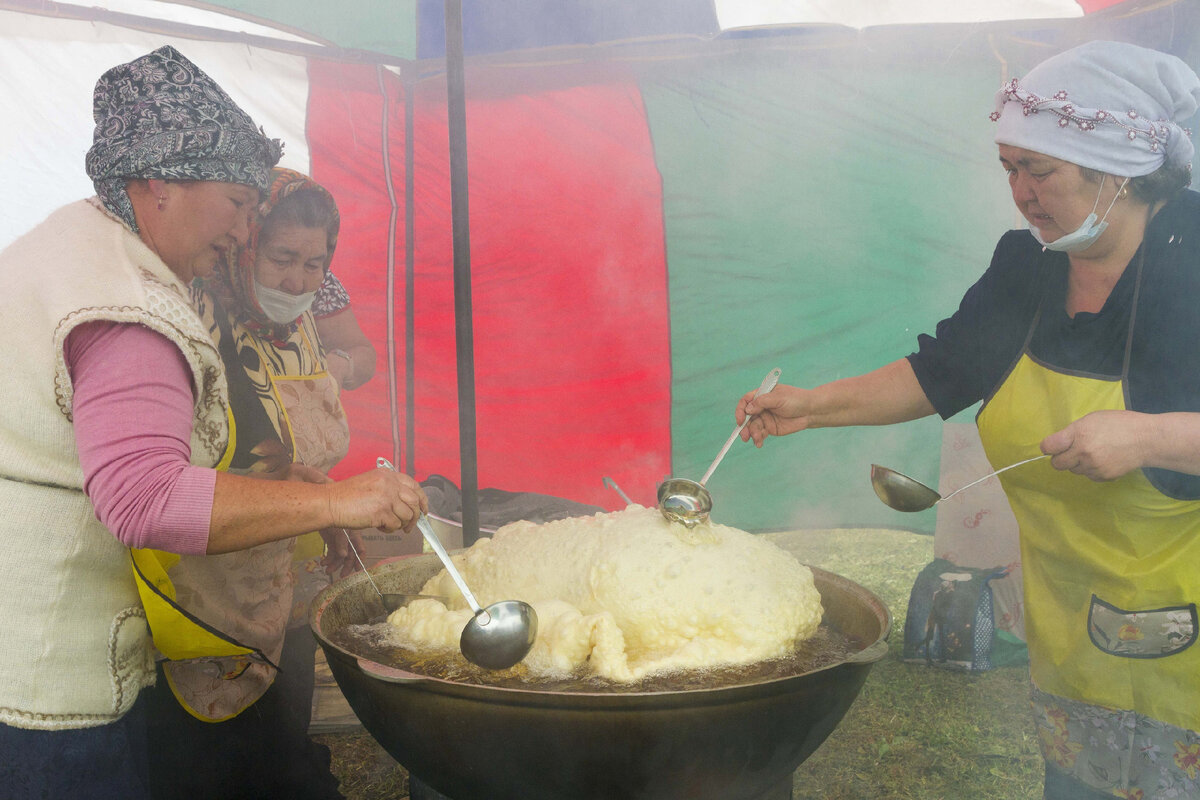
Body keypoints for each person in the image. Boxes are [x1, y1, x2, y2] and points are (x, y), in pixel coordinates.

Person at [736, 41, 1200, 800]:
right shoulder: (1029, 266)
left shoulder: (1195, 255)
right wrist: (811, 407)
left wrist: (1152, 435)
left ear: (1116, 166)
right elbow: (940, 372)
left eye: (1039, 170)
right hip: (1075, 628)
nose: (1020, 192)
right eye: (1009, 169)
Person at [0, 46, 426, 800]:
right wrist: (339, 500)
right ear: (158, 183)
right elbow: (146, 498)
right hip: (51, 688)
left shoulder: (75, 241)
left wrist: (304, 492)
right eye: (236, 202)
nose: (242, 231)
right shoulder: (125, 304)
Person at [142, 168, 362, 799]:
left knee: (278, 752)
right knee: (208, 769)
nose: (298, 281)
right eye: (282, 257)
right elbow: (172, 474)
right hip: (199, 600)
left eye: (315, 264)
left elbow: (296, 462)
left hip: (279, 586)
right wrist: (321, 502)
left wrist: (328, 519)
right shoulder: (192, 316)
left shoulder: (300, 329)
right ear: (244, 243)